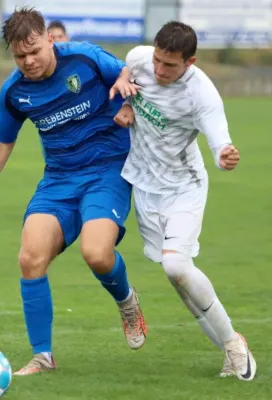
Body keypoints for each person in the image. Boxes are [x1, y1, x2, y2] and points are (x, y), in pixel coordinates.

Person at [0, 6, 147, 376]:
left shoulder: (84, 58)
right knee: (30, 257)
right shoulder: (15, 90)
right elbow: (2, 141)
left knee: (96, 254)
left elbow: (128, 74)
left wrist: (126, 100)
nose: (28, 61)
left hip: (107, 171)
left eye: (34, 51)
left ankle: (126, 301)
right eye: (20, 55)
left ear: (49, 39)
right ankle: (42, 357)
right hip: (59, 179)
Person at [113, 21, 256, 381]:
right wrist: (128, 99)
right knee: (176, 275)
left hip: (183, 187)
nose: (160, 70)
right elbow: (129, 66)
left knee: (177, 266)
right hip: (146, 185)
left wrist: (225, 154)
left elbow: (219, 139)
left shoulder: (202, 94)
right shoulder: (141, 57)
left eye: (170, 66)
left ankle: (234, 345)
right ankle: (230, 345)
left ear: (189, 62)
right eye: (158, 61)